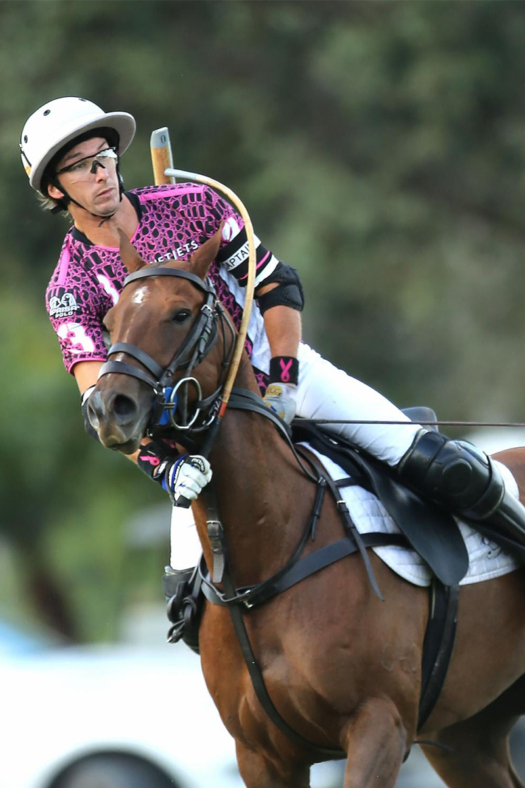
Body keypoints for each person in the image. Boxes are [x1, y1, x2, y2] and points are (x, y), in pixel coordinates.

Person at [20, 97, 525, 646]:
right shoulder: (69, 287)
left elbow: (276, 285)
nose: (102, 173)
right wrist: (163, 466)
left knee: (441, 465)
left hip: (279, 375)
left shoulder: (195, 205)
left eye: (106, 156)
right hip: (193, 436)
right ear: (54, 189)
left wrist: (283, 373)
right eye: (82, 166)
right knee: (185, 605)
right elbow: (105, 406)